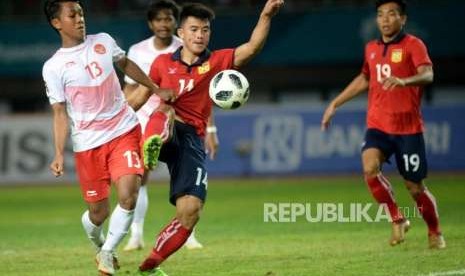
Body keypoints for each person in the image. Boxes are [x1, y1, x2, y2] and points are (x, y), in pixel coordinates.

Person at [137, 0, 284, 274]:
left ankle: (151, 264)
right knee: (166, 109)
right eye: (193, 29)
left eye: (205, 29)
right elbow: (140, 96)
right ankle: (154, 143)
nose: (200, 35)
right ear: (180, 33)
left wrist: (265, 15)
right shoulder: (161, 63)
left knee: (190, 212)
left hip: (192, 138)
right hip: (166, 127)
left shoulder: (217, 61)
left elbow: (251, 48)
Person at [42, 1, 174, 275]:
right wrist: (57, 153)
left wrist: (154, 87)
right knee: (98, 214)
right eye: (72, 15)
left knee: (129, 194)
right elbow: (58, 113)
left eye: (81, 13)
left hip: (123, 130)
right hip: (88, 144)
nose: (80, 19)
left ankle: (108, 252)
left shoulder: (103, 40)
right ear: (57, 23)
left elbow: (125, 63)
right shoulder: (53, 67)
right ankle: (99, 244)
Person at [321, 0, 445, 249]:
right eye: (380, 15)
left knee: (415, 187)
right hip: (378, 124)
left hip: (408, 128)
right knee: (369, 168)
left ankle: (434, 232)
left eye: (391, 14)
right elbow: (365, 78)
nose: (385, 19)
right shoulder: (371, 48)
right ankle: (397, 220)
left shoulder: (414, 45)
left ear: (403, 19)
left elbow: (428, 74)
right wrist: (336, 102)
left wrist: (405, 80)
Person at [122, 0, 209, 252]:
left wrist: (210, 129)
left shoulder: (188, 45)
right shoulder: (137, 51)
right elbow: (130, 89)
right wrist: (126, 119)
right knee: (141, 178)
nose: (164, 24)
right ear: (151, 23)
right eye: (159, 19)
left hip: (180, 122)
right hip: (146, 122)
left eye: (169, 18)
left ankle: (188, 233)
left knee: (187, 177)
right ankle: (136, 235)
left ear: (177, 24)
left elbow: (203, 91)